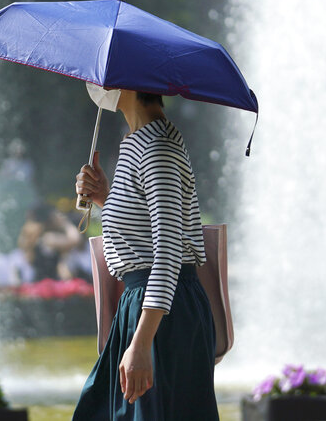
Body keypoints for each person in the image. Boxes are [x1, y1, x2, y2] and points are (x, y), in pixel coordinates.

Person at [72, 90, 218, 421]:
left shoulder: (158, 148)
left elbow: (167, 250)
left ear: (128, 81)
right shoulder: (137, 141)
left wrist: (141, 343)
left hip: (161, 314)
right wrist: (103, 198)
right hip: (145, 307)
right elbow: (144, 233)